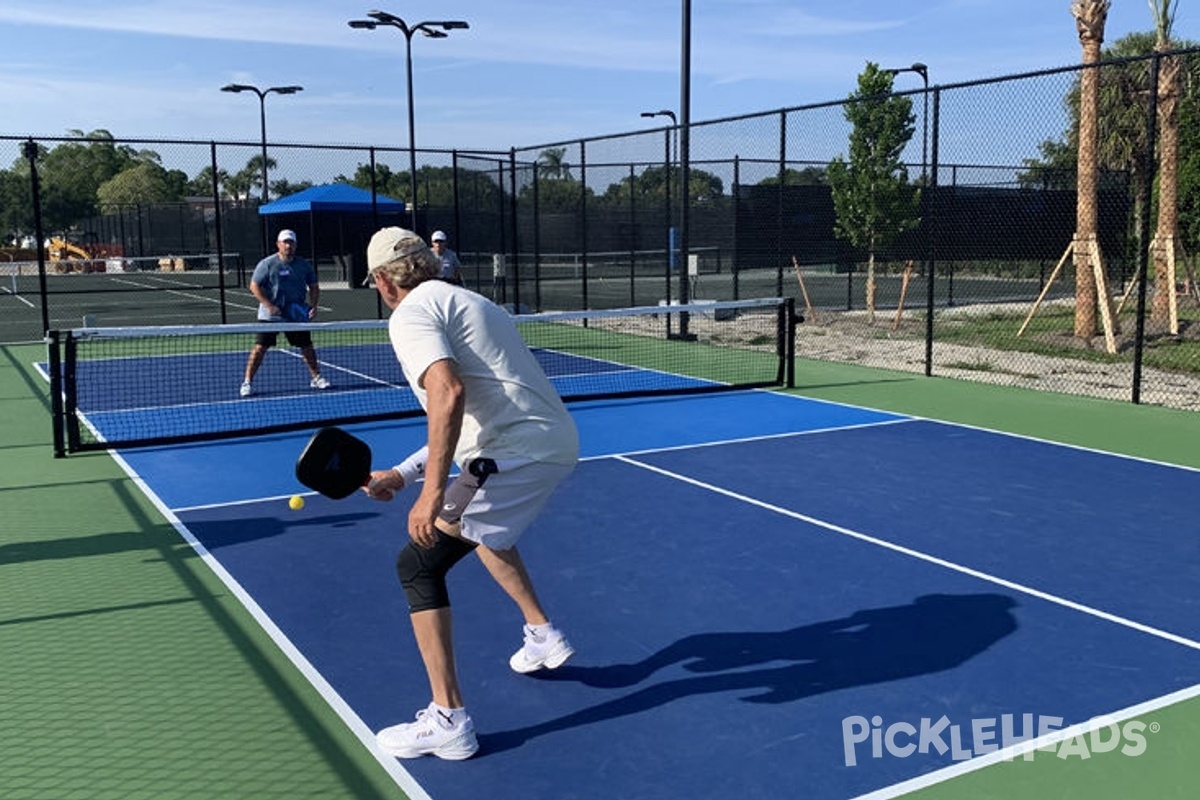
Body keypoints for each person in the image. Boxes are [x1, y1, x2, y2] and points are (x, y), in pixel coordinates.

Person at [362, 226, 579, 761]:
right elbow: (472, 414)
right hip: (545, 444)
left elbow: (448, 392)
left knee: (419, 566)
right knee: (486, 533)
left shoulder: (410, 314)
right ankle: (542, 632)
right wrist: (405, 474)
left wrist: (431, 493)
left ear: (386, 282)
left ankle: (448, 719)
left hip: (514, 454)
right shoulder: (469, 299)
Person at [240, 229, 331, 397]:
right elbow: (254, 286)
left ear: (295, 245)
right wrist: (269, 305)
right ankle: (247, 382)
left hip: (295, 315)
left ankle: (316, 378)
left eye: (291, 242)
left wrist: (314, 305)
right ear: (278, 244)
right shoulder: (267, 264)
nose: (288, 245)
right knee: (260, 348)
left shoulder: (303, 265)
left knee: (307, 347)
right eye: (285, 242)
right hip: (270, 315)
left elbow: (314, 286)